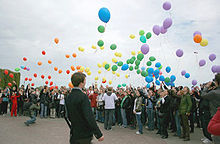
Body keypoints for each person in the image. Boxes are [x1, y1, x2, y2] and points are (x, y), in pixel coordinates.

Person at [65, 72, 104, 144]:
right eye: (85, 80)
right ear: (81, 83)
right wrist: (98, 134)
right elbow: (89, 116)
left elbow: (67, 115)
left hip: (74, 132)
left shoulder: (68, 96)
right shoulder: (83, 96)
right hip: (84, 134)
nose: (85, 82)